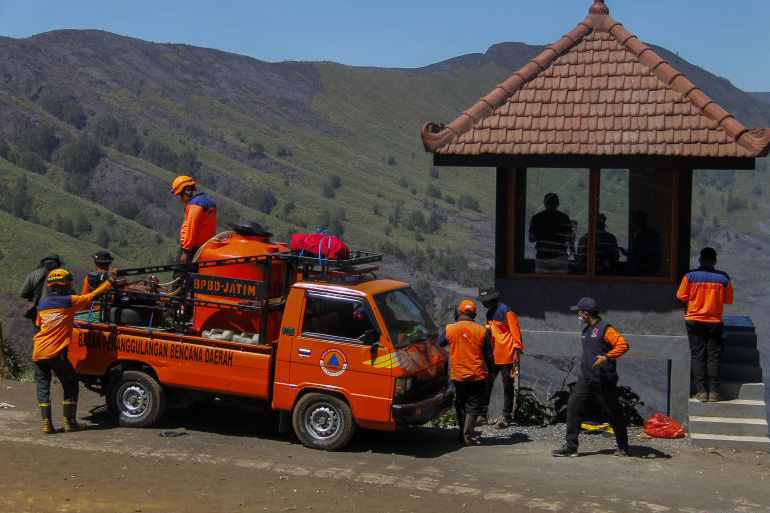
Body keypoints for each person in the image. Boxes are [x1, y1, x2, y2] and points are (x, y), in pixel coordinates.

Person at [33, 267, 116, 434]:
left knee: (43, 388)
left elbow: (39, 325)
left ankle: (46, 424)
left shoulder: (42, 304)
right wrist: (109, 282)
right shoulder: (69, 301)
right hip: (56, 353)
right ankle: (70, 422)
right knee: (70, 384)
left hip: (37, 353)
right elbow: (90, 297)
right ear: (65, 285)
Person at [552, 297, 630, 457]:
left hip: (603, 379)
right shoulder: (586, 330)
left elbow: (623, 345)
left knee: (612, 412)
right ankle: (571, 446)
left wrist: (607, 358)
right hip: (586, 378)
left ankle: (623, 446)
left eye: (579, 312)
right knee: (573, 404)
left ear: (586, 313)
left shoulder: (605, 329)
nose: (578, 315)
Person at [676, 247, 733, 402]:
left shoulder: (690, 276)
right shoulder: (723, 278)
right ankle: (714, 392)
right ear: (715, 261)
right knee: (713, 356)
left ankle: (701, 392)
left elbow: (681, 296)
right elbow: (728, 300)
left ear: (700, 260)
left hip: (694, 320)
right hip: (714, 321)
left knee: (698, 355)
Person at [438, 300, 494, 446]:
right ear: (474, 314)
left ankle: (462, 433)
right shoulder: (482, 330)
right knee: (473, 404)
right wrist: (492, 372)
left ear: (458, 312)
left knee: (460, 402)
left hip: (458, 374)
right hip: (477, 374)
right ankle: (467, 435)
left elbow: (440, 342)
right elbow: (488, 355)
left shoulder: (450, 329)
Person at [478, 288, 523, 429]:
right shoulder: (490, 313)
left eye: (485, 301)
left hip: (508, 357)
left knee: (508, 386)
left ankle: (506, 417)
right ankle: (482, 415)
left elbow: (515, 332)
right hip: (494, 356)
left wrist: (516, 351)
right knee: (487, 384)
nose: (483, 304)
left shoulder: (506, 311)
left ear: (491, 299)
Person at [171, 175, 217, 264]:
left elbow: (191, 228)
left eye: (181, 195)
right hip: (205, 247)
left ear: (187, 190)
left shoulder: (195, 204)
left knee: (181, 275)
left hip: (192, 249)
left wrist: (185, 252)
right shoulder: (210, 202)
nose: (181, 198)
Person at [528, 193, 574, 274]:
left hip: (542, 257)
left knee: (541, 284)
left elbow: (531, 239)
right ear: (558, 204)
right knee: (560, 285)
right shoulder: (564, 217)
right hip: (559, 258)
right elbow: (569, 238)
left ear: (545, 203)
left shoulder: (537, 217)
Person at [19, 254, 62, 325]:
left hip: (37, 312)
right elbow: (69, 293)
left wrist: (35, 295)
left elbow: (23, 293)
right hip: (55, 312)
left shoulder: (33, 274)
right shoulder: (60, 275)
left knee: (39, 334)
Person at [621, 210, 660, 276]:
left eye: (633, 220)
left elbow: (642, 253)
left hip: (644, 269)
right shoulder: (643, 233)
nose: (631, 223)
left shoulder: (646, 234)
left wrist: (629, 254)